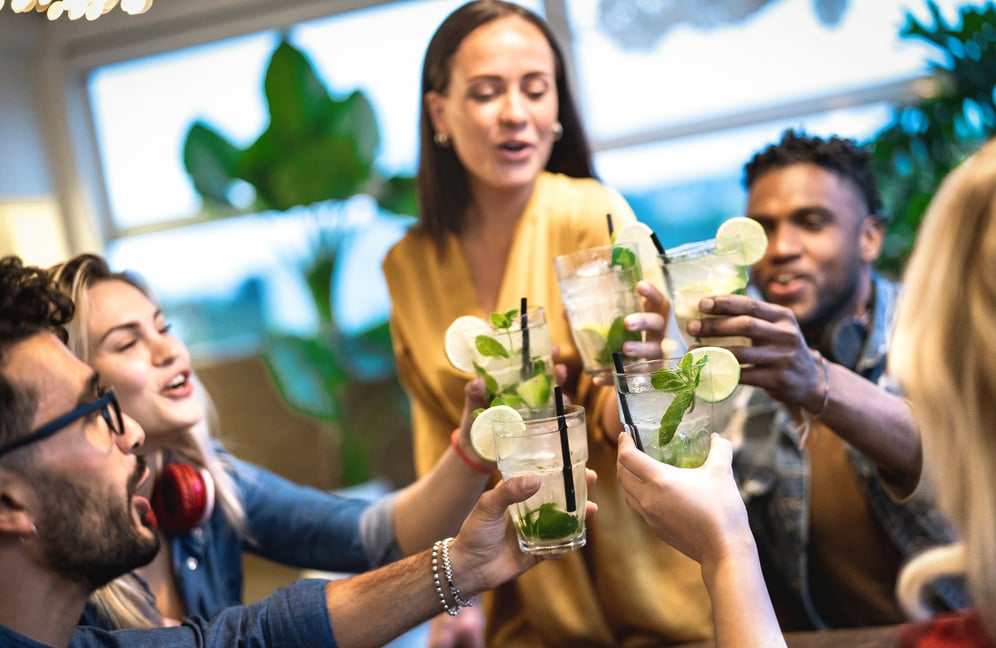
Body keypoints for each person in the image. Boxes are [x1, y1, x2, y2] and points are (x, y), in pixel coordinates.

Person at [0, 254, 597, 648]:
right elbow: (249, 638)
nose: (167, 351)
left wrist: (471, 454)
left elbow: (371, 534)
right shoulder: (55, 576)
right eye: (128, 342)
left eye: (164, 327)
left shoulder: (208, 488)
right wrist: (456, 570)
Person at [381, 1, 707, 646]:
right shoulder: (408, 266)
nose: (516, 112)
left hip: (648, 583)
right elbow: (439, 450)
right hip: (517, 597)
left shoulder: (591, 214)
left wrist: (640, 376)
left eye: (536, 89)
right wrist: (451, 601)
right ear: (439, 113)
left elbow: (625, 413)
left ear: (558, 108)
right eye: (486, 92)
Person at [616, 136, 996, 647]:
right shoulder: (722, 363)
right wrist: (645, 376)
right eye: (764, 228)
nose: (783, 247)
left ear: (869, 239)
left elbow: (952, 451)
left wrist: (815, 381)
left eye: (812, 222)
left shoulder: (942, 334)